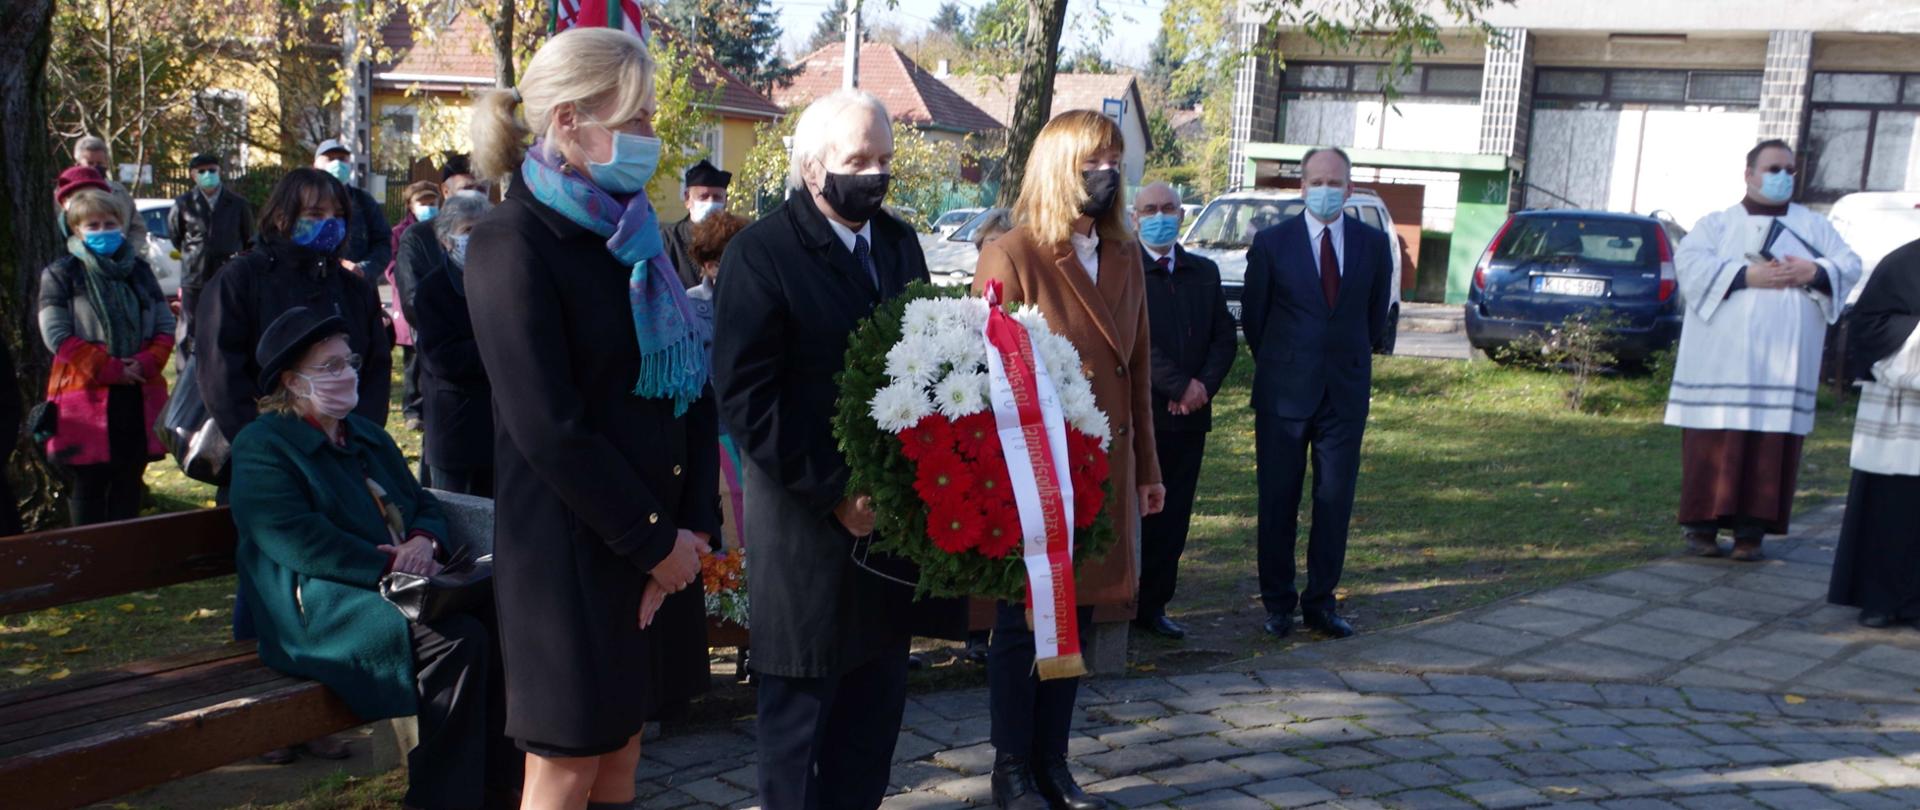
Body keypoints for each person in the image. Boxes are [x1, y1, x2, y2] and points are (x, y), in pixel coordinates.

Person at [466, 27, 717, 808]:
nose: (651, 138)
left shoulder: (636, 234)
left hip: (656, 546)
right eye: (635, 119)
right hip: (573, 552)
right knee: (567, 766)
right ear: (569, 120)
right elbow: (547, 424)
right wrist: (652, 541)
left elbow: (690, 385)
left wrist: (691, 531)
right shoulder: (511, 242)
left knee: (625, 756)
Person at [711, 90, 928, 810]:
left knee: (870, 734)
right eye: (858, 160)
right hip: (808, 532)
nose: (874, 174)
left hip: (888, 535)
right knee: (799, 737)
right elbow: (748, 398)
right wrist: (835, 490)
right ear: (812, 169)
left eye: (884, 160)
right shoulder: (760, 254)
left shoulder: (898, 245)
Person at [228, 306, 511, 809]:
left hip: (401, 586)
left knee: (498, 615)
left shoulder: (364, 434)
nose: (348, 374)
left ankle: (500, 783)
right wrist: (387, 563)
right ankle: (445, 799)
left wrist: (423, 541)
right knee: (456, 641)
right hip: (319, 605)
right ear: (292, 383)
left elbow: (421, 499)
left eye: (349, 361)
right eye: (330, 366)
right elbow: (290, 535)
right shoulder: (263, 445)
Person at [971, 109, 1166, 810]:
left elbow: (1137, 368)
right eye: (1093, 162)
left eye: (1115, 160)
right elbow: (981, 373)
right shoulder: (1015, 253)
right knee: (1024, 620)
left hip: (1104, 469)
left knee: (1076, 618)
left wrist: (1147, 471)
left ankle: (1054, 763)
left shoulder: (1125, 255)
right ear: (1060, 167)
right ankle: (1010, 767)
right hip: (1034, 471)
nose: (1107, 175)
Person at [1666, 139, 1861, 562]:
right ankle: (1701, 527)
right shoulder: (1716, 224)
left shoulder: (1815, 226)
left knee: (1768, 445)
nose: (1783, 177)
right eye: (1773, 169)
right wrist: (1745, 275)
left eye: (1790, 170)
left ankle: (1751, 533)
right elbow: (1691, 265)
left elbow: (1849, 264)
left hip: (1782, 364)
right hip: (1721, 360)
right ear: (1749, 174)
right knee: (1714, 438)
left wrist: (1815, 269)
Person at [1242, 146, 1394, 641]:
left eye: (1335, 181)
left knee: (1334, 500)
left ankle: (1322, 602)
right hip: (1284, 394)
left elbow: (1375, 319)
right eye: (1316, 180)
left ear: (1349, 188)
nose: (1326, 189)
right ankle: (1278, 603)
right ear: (1301, 186)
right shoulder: (1272, 243)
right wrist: (1289, 361)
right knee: (1278, 500)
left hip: (1344, 393)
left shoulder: (1373, 245)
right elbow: (1256, 320)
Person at [197, 168, 393, 446]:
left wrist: (357, 440)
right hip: (269, 455)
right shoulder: (241, 279)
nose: (329, 223)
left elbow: (376, 369)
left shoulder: (355, 287)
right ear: (281, 218)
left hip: (344, 452)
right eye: (315, 214)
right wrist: (265, 447)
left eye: (338, 215)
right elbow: (221, 377)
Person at [1134, 181, 1236, 641]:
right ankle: (1121, 602)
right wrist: (1175, 385)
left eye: (1169, 208)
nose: (1161, 216)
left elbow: (1224, 337)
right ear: (1135, 218)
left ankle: (1154, 605)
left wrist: (1201, 389)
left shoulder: (1203, 271)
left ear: (1182, 214)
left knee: (1174, 518)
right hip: (1142, 416)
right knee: (1136, 515)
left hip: (1190, 418)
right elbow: (1133, 341)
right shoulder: (1124, 273)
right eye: (1151, 209)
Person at [38, 188, 175, 525]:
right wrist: (109, 368)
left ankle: (126, 564)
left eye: (109, 223)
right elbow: (56, 333)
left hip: (138, 391)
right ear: (76, 229)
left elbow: (164, 322)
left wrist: (146, 361)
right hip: (85, 396)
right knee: (89, 483)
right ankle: (88, 563)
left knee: (130, 479)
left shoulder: (139, 270)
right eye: (93, 225)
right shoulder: (61, 274)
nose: (102, 231)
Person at [1828, 239, 1920, 628]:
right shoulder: (1903, 262)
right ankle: (1880, 600)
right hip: (1902, 416)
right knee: (1892, 507)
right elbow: (1868, 324)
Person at [413, 192, 494, 497]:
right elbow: (441, 358)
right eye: (468, 231)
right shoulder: (432, 290)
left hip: (501, 428)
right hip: (456, 428)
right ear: (447, 240)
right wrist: (500, 349)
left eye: (484, 229)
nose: (477, 238)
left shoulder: (501, 277)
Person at [170, 153, 256, 341]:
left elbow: (248, 237)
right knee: (189, 328)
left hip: (227, 273)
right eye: (202, 171)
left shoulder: (238, 204)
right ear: (193, 175)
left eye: (212, 170)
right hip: (194, 275)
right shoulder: (183, 204)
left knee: (227, 325)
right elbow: (176, 236)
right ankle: (186, 369)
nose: (208, 174)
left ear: (220, 171)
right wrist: (195, 253)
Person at [388, 180, 442, 432]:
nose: (429, 207)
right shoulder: (400, 233)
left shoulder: (443, 227)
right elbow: (392, 265)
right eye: (423, 203)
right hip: (409, 300)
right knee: (411, 362)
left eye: (432, 202)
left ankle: (428, 405)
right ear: (410, 205)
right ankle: (411, 408)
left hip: (436, 300)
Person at [312, 138, 392, 278]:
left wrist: (362, 270)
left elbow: (384, 244)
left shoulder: (364, 201)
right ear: (315, 165)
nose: (337, 164)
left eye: (342, 159)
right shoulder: (305, 204)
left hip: (358, 290)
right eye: (330, 159)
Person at [663, 159, 732, 289]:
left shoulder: (735, 238)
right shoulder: (668, 239)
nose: (711, 203)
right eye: (704, 197)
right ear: (687, 199)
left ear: (725, 200)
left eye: (717, 197)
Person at [70, 136, 148, 250]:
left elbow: (138, 228)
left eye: (100, 163)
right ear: (78, 164)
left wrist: (128, 253)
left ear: (106, 162)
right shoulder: (66, 196)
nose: (95, 168)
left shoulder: (120, 192)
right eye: (90, 163)